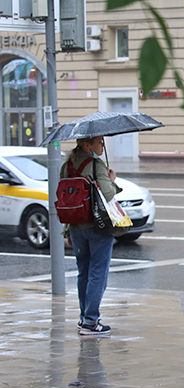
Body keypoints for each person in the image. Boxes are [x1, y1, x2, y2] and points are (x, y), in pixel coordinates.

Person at [62, 136, 118, 336]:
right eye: (100, 142)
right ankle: (91, 321)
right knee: (98, 273)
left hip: (76, 227)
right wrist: (112, 180)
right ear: (88, 146)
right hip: (97, 226)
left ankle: (83, 317)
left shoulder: (67, 166)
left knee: (83, 273)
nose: (103, 145)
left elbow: (65, 198)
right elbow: (108, 194)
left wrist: (68, 229)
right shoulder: (96, 165)